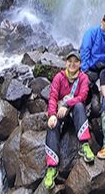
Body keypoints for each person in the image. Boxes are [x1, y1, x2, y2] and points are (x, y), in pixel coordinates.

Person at [43, 50, 94, 189]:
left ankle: (84, 145)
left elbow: (82, 96)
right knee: (52, 125)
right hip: (60, 112)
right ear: (66, 63)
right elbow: (53, 96)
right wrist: (52, 114)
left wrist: (66, 104)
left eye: (75, 61)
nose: (72, 64)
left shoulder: (83, 78)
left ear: (80, 64)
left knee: (78, 105)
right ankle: (52, 167)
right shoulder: (59, 77)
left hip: (74, 112)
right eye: (69, 61)